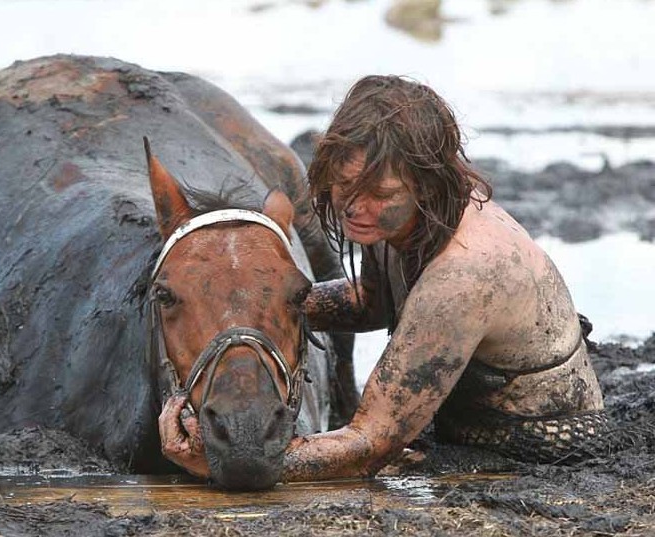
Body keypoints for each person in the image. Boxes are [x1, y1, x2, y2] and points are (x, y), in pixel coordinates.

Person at [159, 75, 606, 481]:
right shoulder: (396, 219)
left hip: (539, 450)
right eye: (345, 185)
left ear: (428, 185)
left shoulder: (465, 275)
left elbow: (369, 444)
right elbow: (373, 301)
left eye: (380, 194)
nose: (355, 207)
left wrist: (232, 457)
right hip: (462, 429)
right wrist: (258, 308)